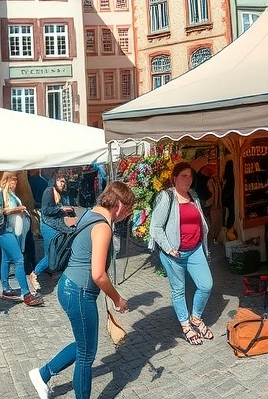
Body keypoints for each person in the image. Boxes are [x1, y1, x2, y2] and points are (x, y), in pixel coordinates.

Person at [30, 182, 135, 399]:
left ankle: (42, 374)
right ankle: (46, 376)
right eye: (128, 209)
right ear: (118, 205)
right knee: (87, 354)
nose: (127, 215)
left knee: (83, 345)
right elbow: (98, 275)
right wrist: (117, 299)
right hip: (79, 292)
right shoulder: (103, 227)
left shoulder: (91, 213)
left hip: (69, 287)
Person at [148, 161, 214, 345]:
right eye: (184, 175)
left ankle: (196, 318)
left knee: (206, 285)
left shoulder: (193, 196)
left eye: (190, 176)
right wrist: (168, 247)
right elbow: (155, 227)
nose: (188, 179)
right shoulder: (166, 197)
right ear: (174, 178)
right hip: (174, 254)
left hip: (195, 250)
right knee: (179, 290)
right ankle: (186, 325)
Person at [0, 172, 44, 307]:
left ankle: (6, 289)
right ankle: (26, 294)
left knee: (6, 259)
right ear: (7, 180)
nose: (16, 182)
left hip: (9, 231)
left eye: (16, 180)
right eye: (13, 179)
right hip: (4, 231)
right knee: (19, 259)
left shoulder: (10, 193)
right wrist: (17, 209)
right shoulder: (0, 192)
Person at [33, 171, 77, 276]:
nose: (62, 184)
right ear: (54, 181)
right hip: (49, 226)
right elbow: (46, 210)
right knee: (51, 254)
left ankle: (50, 270)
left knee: (51, 252)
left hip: (55, 225)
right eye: (60, 181)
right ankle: (35, 273)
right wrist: (61, 209)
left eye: (64, 182)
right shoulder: (49, 191)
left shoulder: (58, 193)